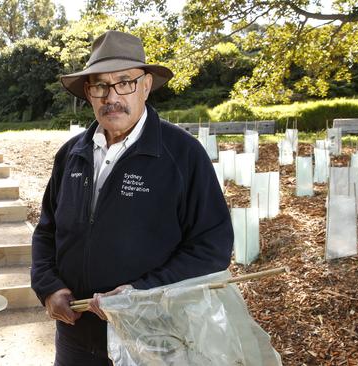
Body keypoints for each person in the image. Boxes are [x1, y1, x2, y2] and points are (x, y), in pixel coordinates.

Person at [31, 30, 234, 365]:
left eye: (124, 82)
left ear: (145, 85)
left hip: (153, 337)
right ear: (88, 93)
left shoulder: (182, 155)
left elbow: (212, 247)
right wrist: (48, 287)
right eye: (100, 85)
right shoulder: (70, 155)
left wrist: (143, 292)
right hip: (76, 337)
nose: (112, 96)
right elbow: (47, 231)